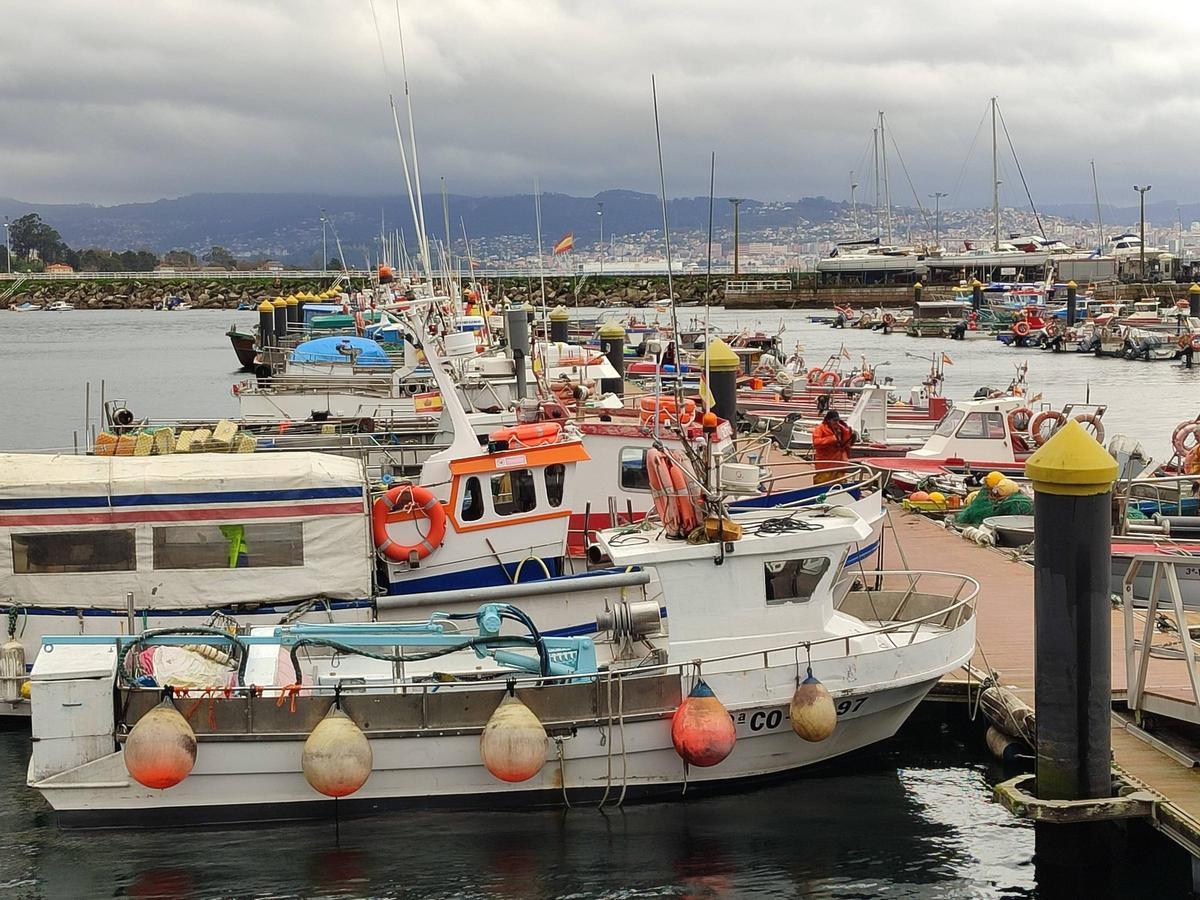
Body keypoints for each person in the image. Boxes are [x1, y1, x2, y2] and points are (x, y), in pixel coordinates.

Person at [812, 409, 854, 485]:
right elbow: (816, 443)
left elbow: (846, 445)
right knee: (822, 484)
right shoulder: (820, 428)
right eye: (835, 420)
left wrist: (851, 438)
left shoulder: (841, 428)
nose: (837, 423)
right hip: (825, 464)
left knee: (840, 485)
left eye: (838, 420)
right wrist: (833, 438)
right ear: (828, 420)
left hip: (839, 463)